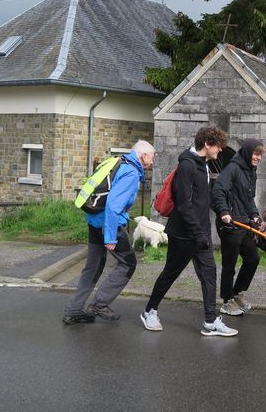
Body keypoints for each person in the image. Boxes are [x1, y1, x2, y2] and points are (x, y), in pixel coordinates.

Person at [140, 126, 238, 337]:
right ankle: (149, 311)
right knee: (170, 273)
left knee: (209, 274)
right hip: (184, 234)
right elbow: (184, 205)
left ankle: (210, 322)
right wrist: (197, 232)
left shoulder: (203, 164)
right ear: (207, 144)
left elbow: (204, 199)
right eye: (218, 148)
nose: (219, 152)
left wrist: (223, 211)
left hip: (200, 234)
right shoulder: (187, 166)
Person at [63, 140, 155, 324]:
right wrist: (111, 237)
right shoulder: (130, 172)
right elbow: (113, 206)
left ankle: (73, 310)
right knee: (128, 264)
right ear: (143, 155)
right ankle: (100, 303)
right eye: (152, 157)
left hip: (94, 221)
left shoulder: (116, 161)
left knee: (93, 266)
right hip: (109, 224)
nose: (152, 162)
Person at [211, 138, 263, 316]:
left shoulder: (251, 171)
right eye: (256, 154)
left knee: (253, 258)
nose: (258, 158)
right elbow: (218, 190)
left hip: (244, 223)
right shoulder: (233, 168)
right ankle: (226, 301)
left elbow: (248, 198)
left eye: (260, 155)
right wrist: (224, 212)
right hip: (230, 224)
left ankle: (237, 291)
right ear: (248, 152)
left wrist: (255, 214)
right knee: (229, 264)